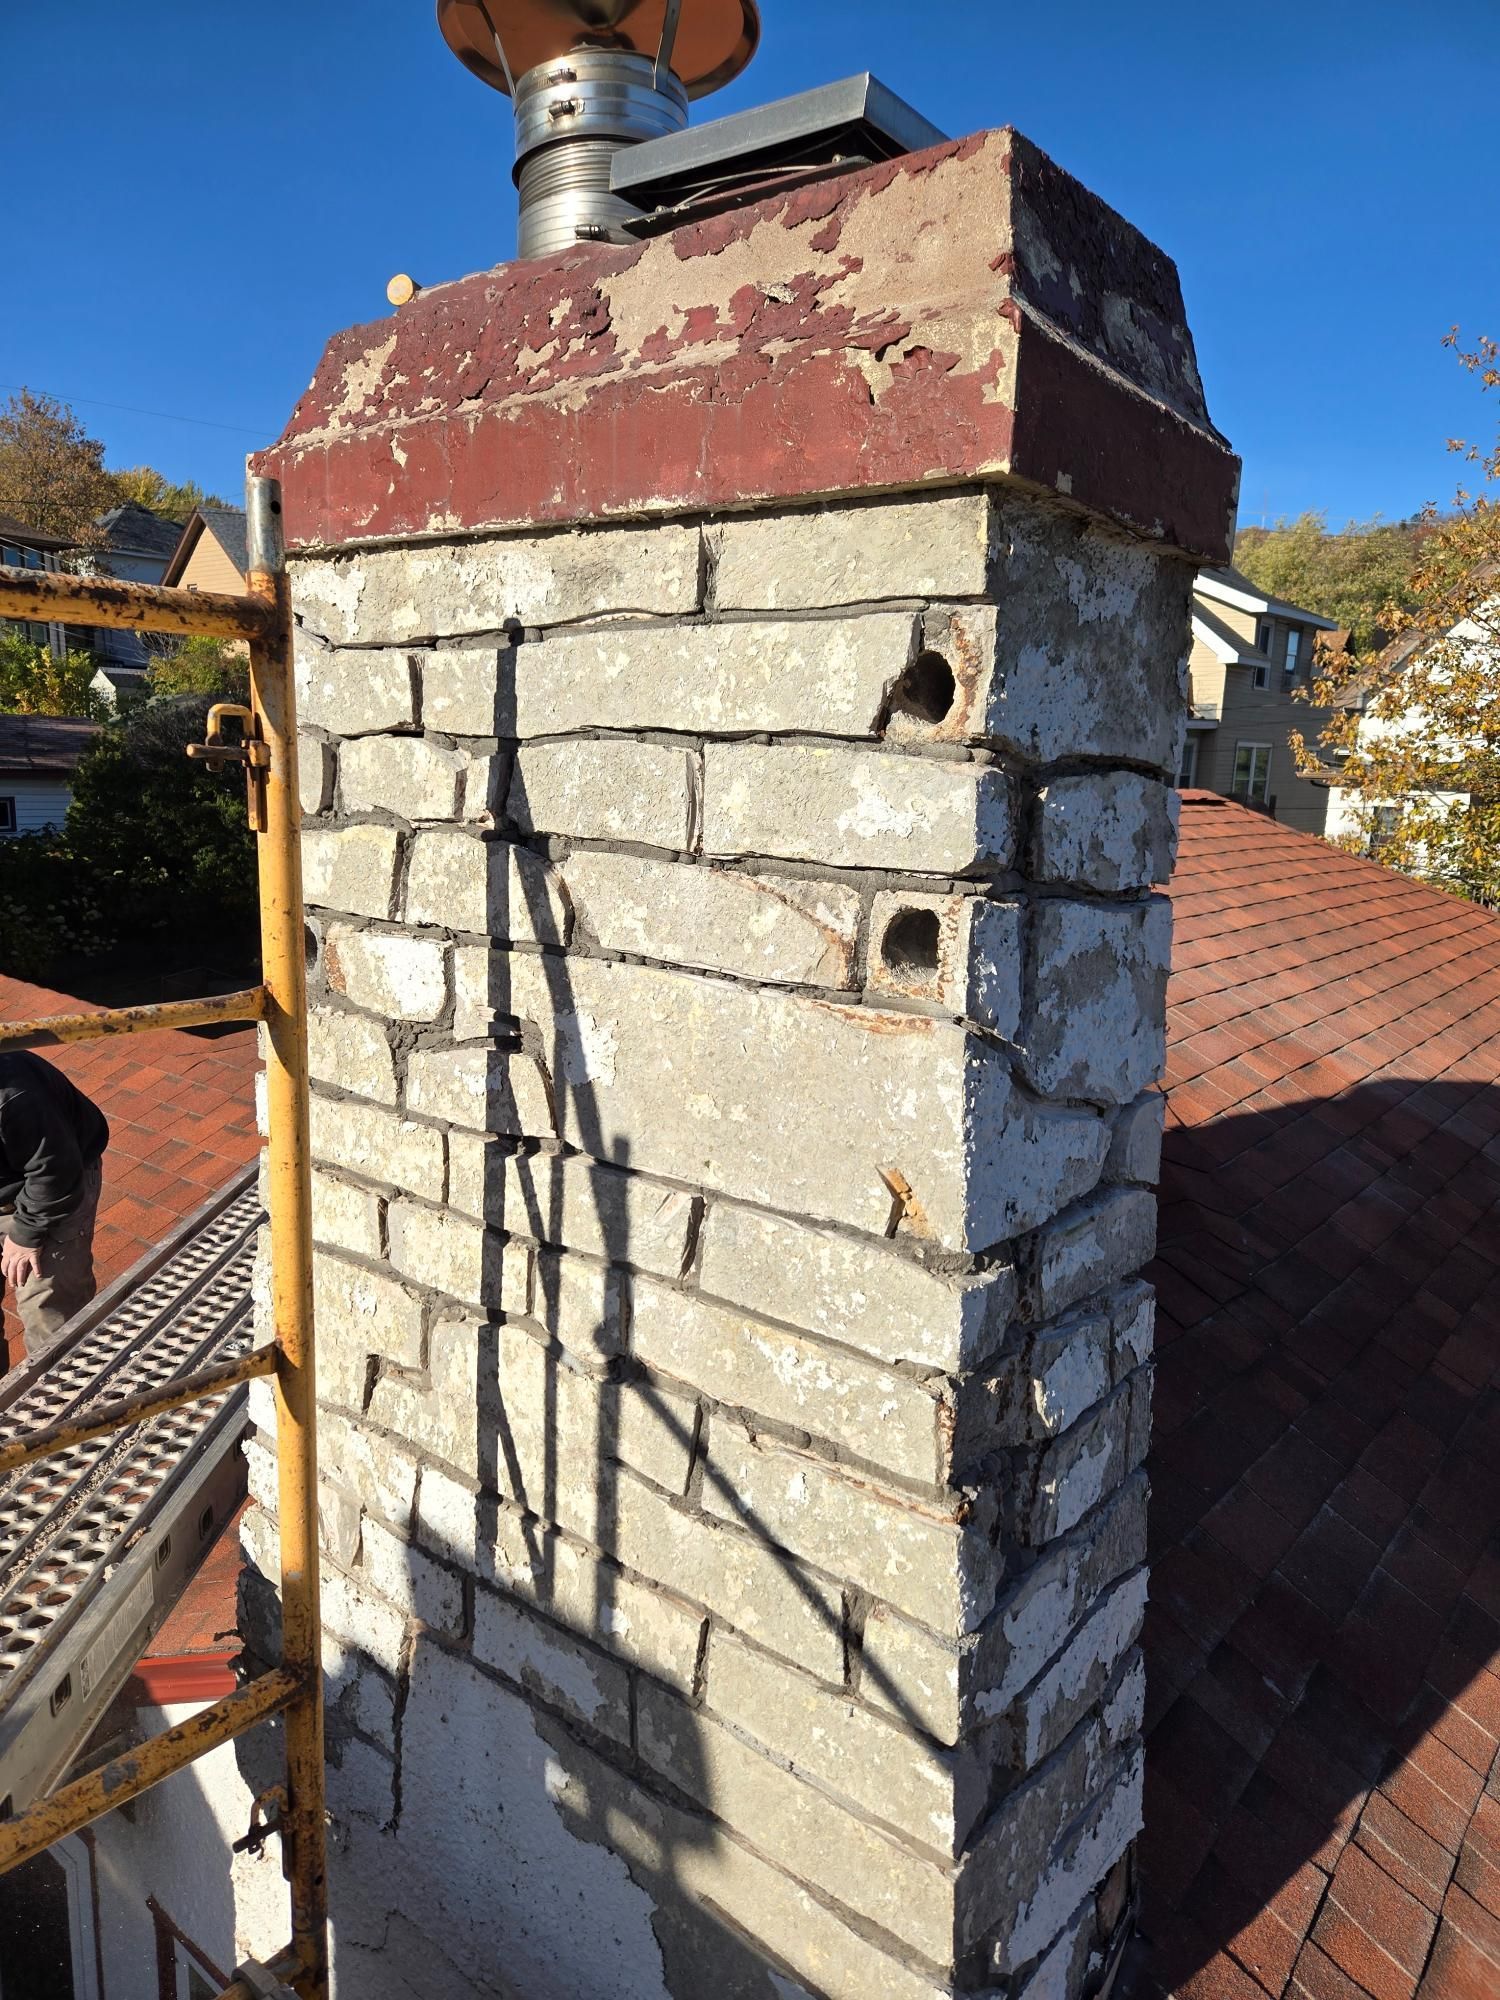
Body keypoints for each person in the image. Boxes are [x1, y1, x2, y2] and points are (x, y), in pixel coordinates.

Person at [0, 1052, 109, 1363]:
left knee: (51, 1314)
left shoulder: (15, 1093)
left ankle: (62, 1386)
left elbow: (54, 1171)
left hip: (50, 1189)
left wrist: (26, 1235)